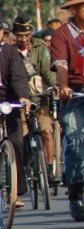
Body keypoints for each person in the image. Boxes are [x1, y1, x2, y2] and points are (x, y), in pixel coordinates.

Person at [50, 0, 84, 221]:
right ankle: (76, 192)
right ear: (73, 9)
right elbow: (61, 66)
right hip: (77, 94)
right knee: (74, 138)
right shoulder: (61, 34)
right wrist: (64, 86)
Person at [13, 15, 58, 185]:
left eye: (27, 35)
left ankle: (50, 169)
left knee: (46, 131)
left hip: (40, 99)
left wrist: (55, 85)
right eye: (20, 36)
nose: (24, 39)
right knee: (22, 135)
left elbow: (47, 71)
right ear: (14, 34)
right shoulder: (10, 51)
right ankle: (24, 167)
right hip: (20, 101)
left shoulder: (40, 47)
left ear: (32, 32)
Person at [0, 29, 32, 208]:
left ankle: (16, 192)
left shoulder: (10, 52)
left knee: (17, 142)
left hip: (9, 101)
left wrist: (23, 97)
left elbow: (19, 76)